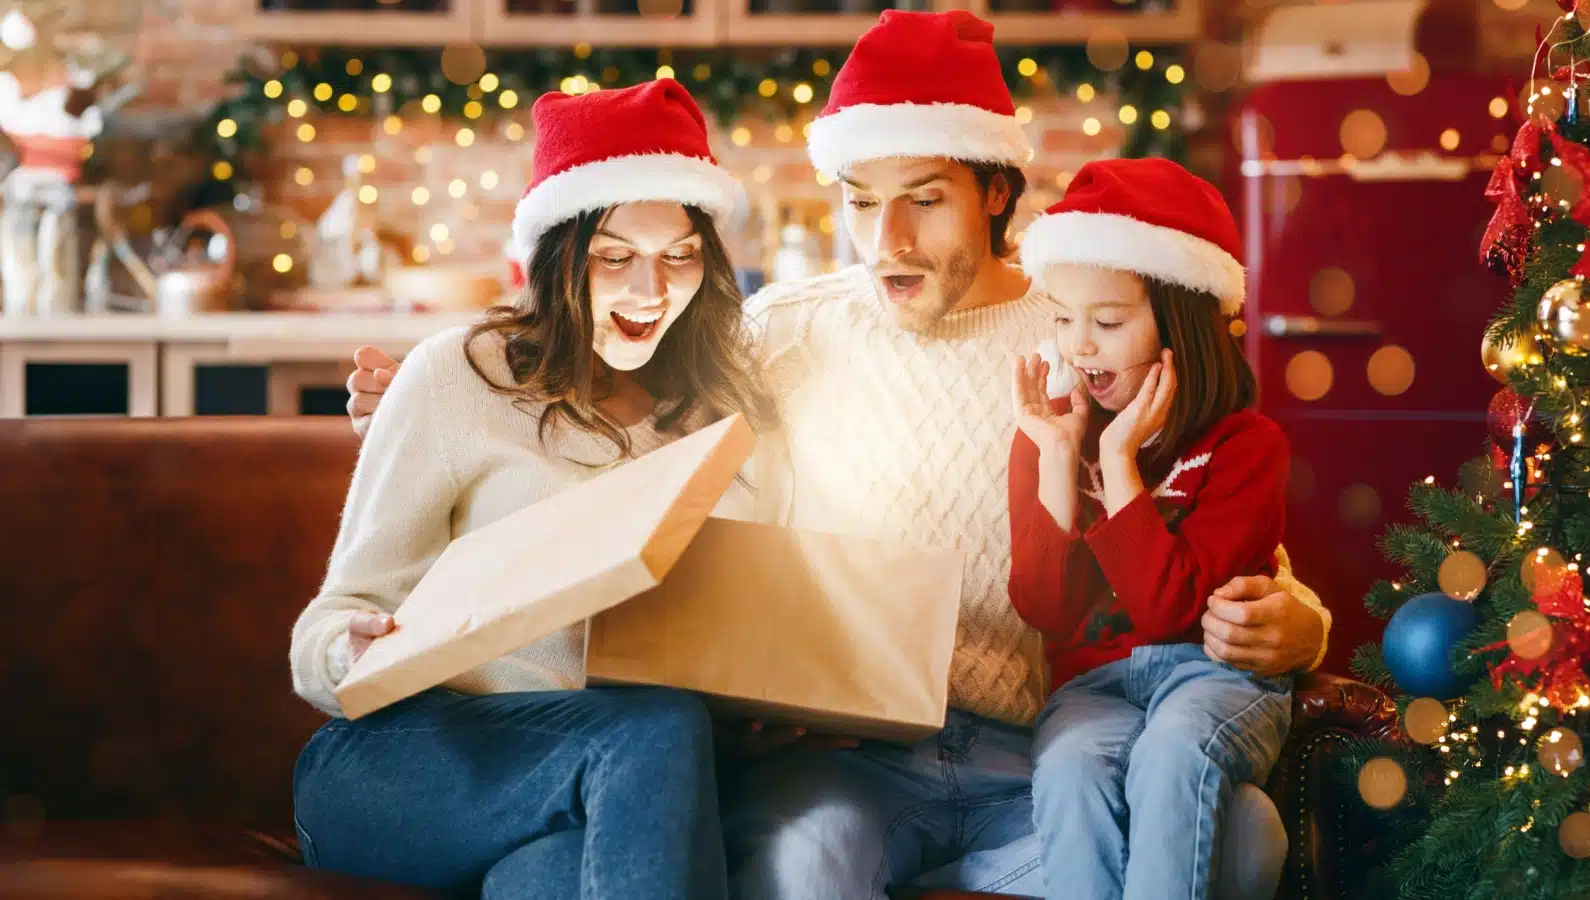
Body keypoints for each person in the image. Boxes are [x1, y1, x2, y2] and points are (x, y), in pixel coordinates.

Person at [344, 12, 1333, 898]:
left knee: (1241, 841)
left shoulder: (1083, 326)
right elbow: (619, 425)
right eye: (860, 202)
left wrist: (1302, 621)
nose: (885, 239)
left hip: (1033, 753)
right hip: (848, 760)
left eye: (923, 200)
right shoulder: (782, 332)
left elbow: (1201, 512)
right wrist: (453, 400)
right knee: (801, 858)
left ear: (995, 191)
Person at [290, 79, 773, 900]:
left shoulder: (728, 418)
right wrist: (358, 648)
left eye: (679, 256)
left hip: (621, 790)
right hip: (412, 759)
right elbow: (323, 631)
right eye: (615, 256)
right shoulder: (457, 375)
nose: (650, 290)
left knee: (558, 873)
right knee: (652, 730)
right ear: (557, 254)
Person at [1008, 158, 1293, 900]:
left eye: (1105, 323)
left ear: (1183, 322)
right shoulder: (1053, 436)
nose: (1078, 347)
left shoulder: (1245, 446)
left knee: (1173, 751)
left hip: (1214, 677)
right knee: (1070, 769)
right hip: (1093, 687)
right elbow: (1045, 609)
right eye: (1063, 319)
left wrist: (1120, 464)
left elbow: (1173, 612)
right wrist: (1060, 458)